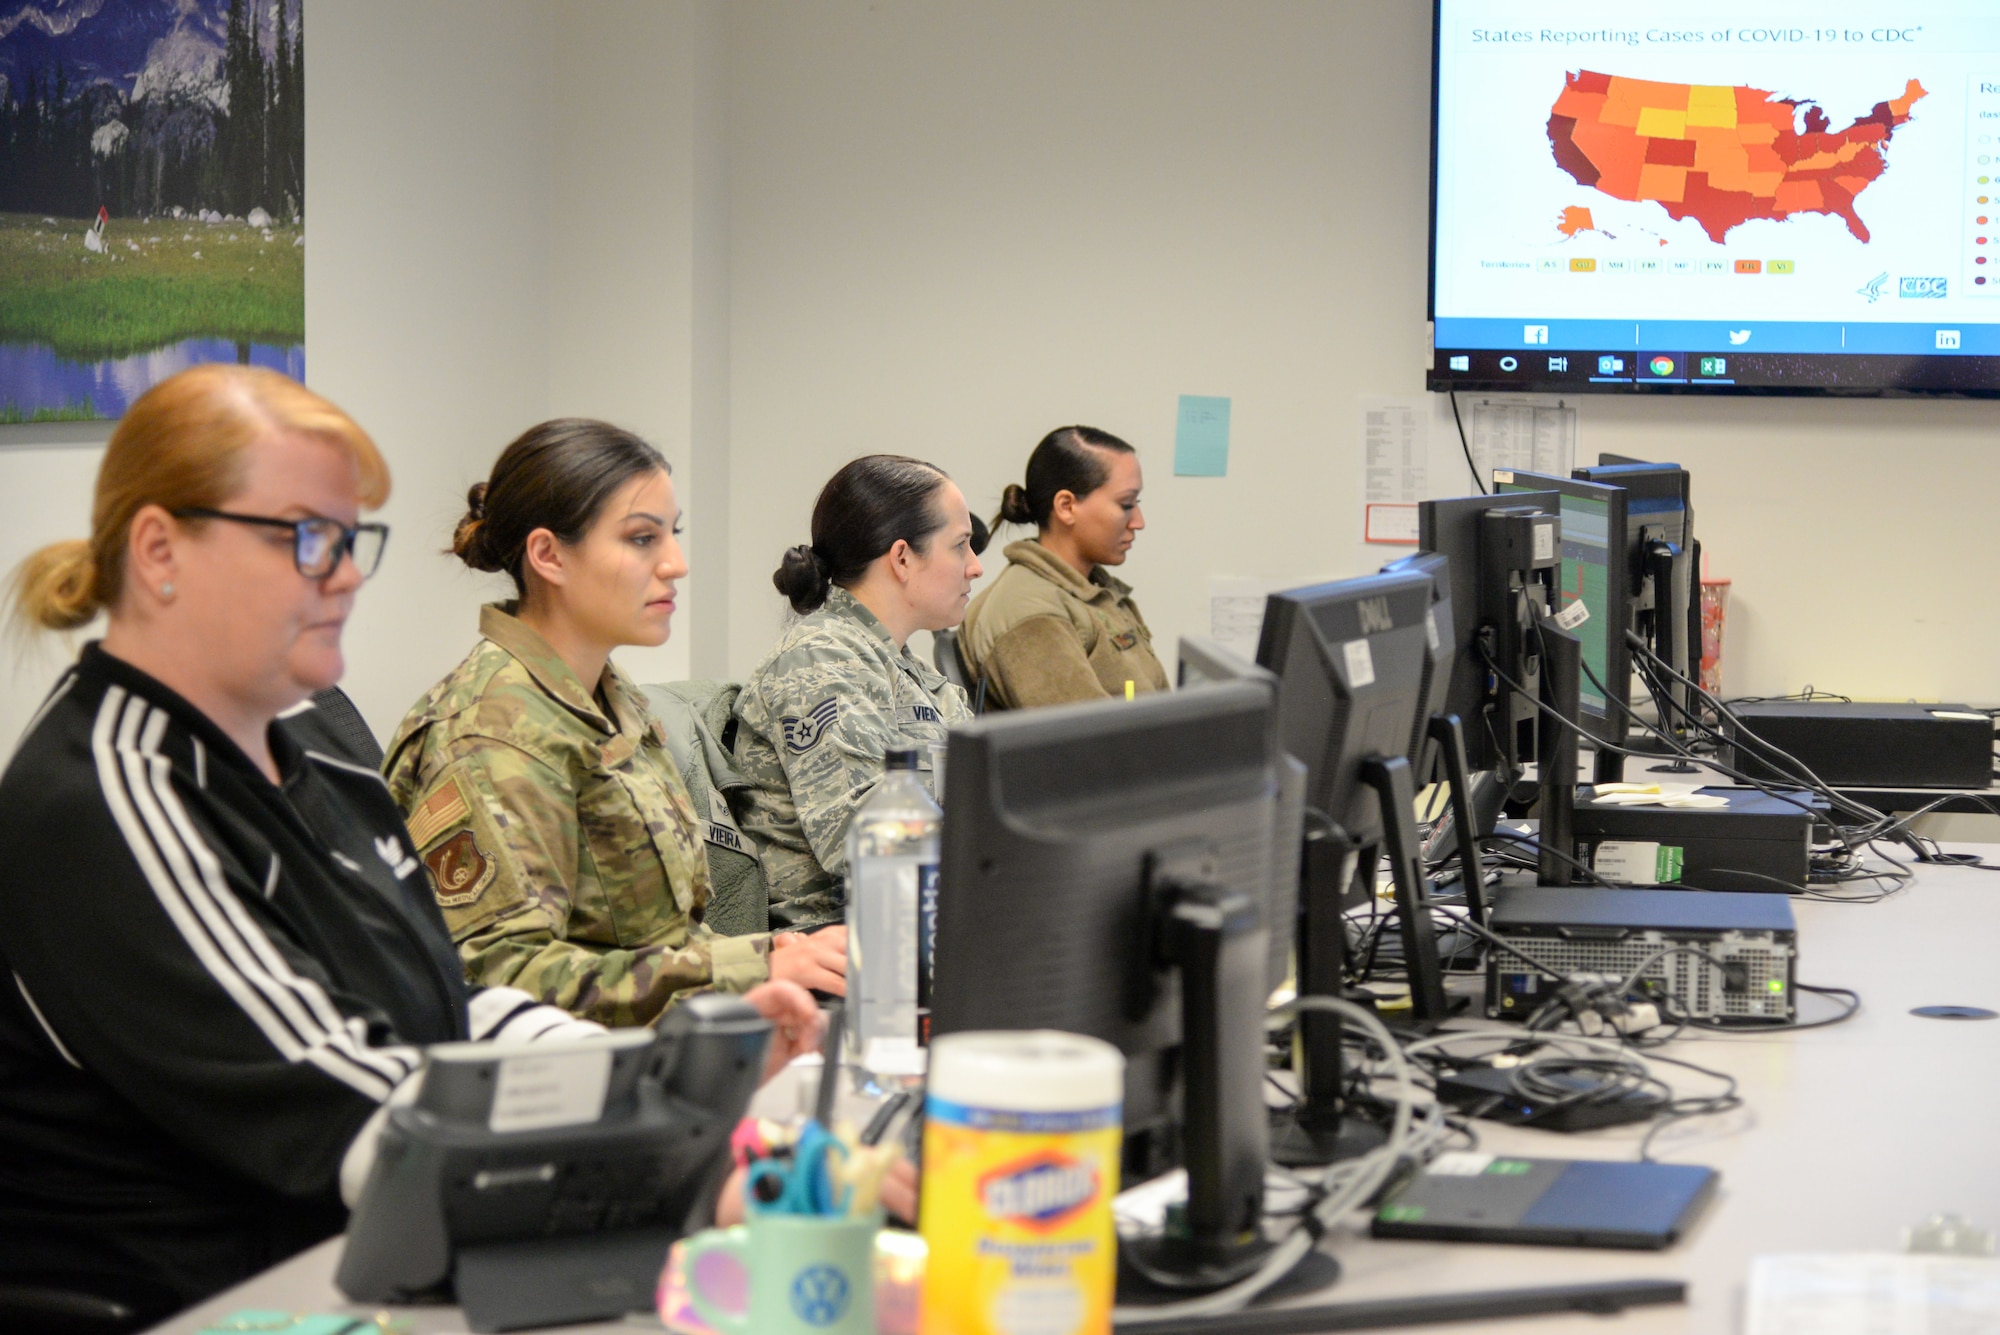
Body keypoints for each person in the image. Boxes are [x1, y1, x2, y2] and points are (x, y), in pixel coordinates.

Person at [0, 367, 828, 1321]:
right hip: (238, 1292)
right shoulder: (112, 799)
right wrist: (687, 1178)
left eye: (353, 543)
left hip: (377, 1251)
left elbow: (446, 1002)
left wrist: (675, 1074)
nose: (348, 574)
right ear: (159, 550)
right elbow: (362, 1111)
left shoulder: (306, 742)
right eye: (309, 540)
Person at [383, 420, 846, 1027]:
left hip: (647, 1060)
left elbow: (646, 934)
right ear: (548, 555)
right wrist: (744, 971)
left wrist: (767, 953)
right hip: (558, 1092)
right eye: (640, 539)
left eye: (671, 535)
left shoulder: (605, 693)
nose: (675, 564)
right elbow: (500, 986)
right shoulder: (494, 731)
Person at [734, 455, 980, 930]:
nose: (975, 567)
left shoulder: (904, 667)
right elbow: (867, 842)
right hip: (845, 950)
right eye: (961, 546)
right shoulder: (820, 658)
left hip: (919, 927)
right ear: (903, 558)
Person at [958, 425, 1168, 709]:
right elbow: (1086, 746)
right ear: (1067, 506)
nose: (1138, 521)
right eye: (1126, 504)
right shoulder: (1031, 613)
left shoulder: (1091, 591)